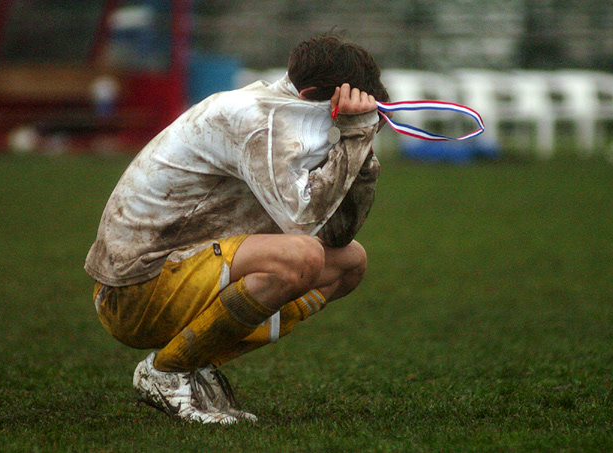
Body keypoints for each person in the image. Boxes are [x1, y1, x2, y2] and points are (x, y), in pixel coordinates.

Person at [84, 34, 390, 424]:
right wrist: (354, 135)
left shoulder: (289, 115)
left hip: (180, 270)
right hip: (131, 292)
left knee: (349, 263)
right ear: (312, 94)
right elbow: (303, 224)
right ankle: (166, 372)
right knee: (302, 257)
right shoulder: (256, 120)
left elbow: (337, 235)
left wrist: (361, 154)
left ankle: (194, 360)